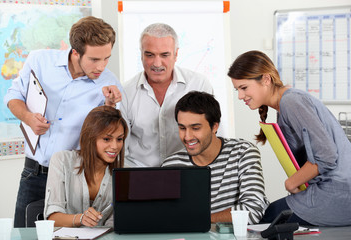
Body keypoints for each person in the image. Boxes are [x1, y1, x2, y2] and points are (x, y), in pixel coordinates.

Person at [3, 16, 122, 227]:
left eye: (106, 58)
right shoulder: (39, 61)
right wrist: (29, 118)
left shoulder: (109, 82)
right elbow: (13, 96)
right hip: (35, 172)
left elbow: (108, 133)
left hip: (75, 178)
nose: (102, 66)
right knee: (24, 234)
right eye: (94, 59)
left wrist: (110, 106)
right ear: (75, 52)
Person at [228, 50, 351, 226]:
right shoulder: (284, 105)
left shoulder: (291, 101)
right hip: (331, 189)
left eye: (244, 88)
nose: (240, 96)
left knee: (268, 219)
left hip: (337, 192)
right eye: (237, 89)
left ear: (266, 79)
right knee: (270, 216)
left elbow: (327, 156)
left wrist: (292, 182)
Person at [161, 91, 269, 224]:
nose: (187, 137)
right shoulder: (171, 166)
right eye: (182, 128)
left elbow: (253, 211)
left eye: (195, 128)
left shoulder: (243, 152)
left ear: (215, 126)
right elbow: (168, 217)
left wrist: (199, 220)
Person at [120, 23, 213, 167]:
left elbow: (213, 137)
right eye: (149, 55)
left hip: (188, 173)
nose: (157, 63)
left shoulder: (199, 84)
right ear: (141, 54)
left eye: (165, 55)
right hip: (139, 176)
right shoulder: (126, 92)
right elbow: (120, 148)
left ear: (176, 54)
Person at [44, 106, 128, 227]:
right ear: (90, 137)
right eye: (106, 139)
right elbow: (53, 218)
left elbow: (116, 224)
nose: (115, 146)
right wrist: (81, 218)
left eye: (119, 139)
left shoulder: (124, 173)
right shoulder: (62, 160)